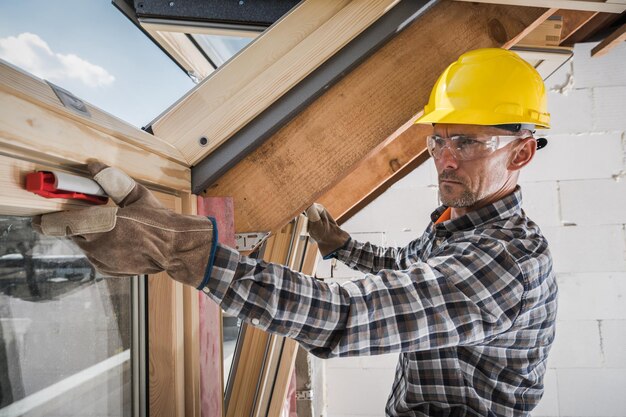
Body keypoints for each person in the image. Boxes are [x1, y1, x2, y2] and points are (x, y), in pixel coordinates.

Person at [34, 48, 558, 416]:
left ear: (521, 152)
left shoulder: (509, 262)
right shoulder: (458, 226)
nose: (443, 160)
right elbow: (408, 270)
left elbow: (351, 316)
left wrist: (186, 249)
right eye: (437, 141)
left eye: (465, 143)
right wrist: (344, 247)